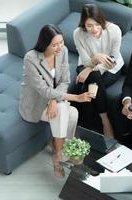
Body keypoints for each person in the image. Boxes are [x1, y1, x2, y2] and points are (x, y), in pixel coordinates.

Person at [19, 24, 92, 177]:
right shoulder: (31, 59)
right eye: (54, 45)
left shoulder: (62, 51)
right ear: (45, 44)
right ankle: (58, 156)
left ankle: (61, 148)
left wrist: (53, 100)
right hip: (35, 103)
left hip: (53, 98)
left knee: (72, 112)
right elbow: (43, 90)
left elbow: (65, 81)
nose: (59, 47)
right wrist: (76, 98)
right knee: (64, 110)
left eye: (61, 42)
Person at [73, 4, 124, 138]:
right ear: (84, 24)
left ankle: (89, 127)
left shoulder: (114, 30)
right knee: (93, 82)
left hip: (111, 68)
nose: (94, 29)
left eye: (97, 24)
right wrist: (95, 58)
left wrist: (90, 68)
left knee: (88, 85)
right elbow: (85, 61)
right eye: (89, 26)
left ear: (101, 21)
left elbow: (112, 61)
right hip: (86, 65)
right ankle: (104, 119)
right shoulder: (78, 34)